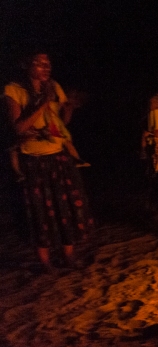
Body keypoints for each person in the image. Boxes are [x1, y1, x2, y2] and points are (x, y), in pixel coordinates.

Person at [4, 52, 93, 269]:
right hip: (33, 159)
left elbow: (62, 123)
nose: (46, 67)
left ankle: (68, 255)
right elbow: (18, 128)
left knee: (66, 207)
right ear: (25, 64)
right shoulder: (13, 90)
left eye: (48, 63)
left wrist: (69, 107)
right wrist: (43, 102)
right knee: (40, 210)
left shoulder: (54, 86)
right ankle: (44, 261)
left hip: (58, 155)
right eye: (39, 63)